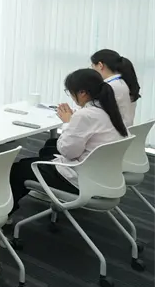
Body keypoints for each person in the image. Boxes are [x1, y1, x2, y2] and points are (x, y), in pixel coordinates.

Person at [9, 68, 128, 213]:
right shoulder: (111, 110)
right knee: (49, 148)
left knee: (18, 169)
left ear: (82, 93)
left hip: (81, 181)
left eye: (70, 92)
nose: (71, 96)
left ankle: (7, 215)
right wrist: (74, 122)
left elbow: (68, 152)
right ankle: (45, 189)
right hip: (107, 178)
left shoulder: (85, 115)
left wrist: (68, 123)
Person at [91, 49, 141, 129]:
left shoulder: (109, 87)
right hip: (125, 131)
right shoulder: (125, 82)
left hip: (111, 133)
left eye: (92, 66)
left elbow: (91, 114)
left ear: (100, 65)